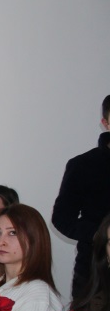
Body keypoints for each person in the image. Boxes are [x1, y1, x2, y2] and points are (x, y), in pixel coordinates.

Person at [52, 95, 110, 298]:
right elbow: (61, 219)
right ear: (105, 123)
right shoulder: (83, 165)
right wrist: (101, 235)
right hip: (95, 271)